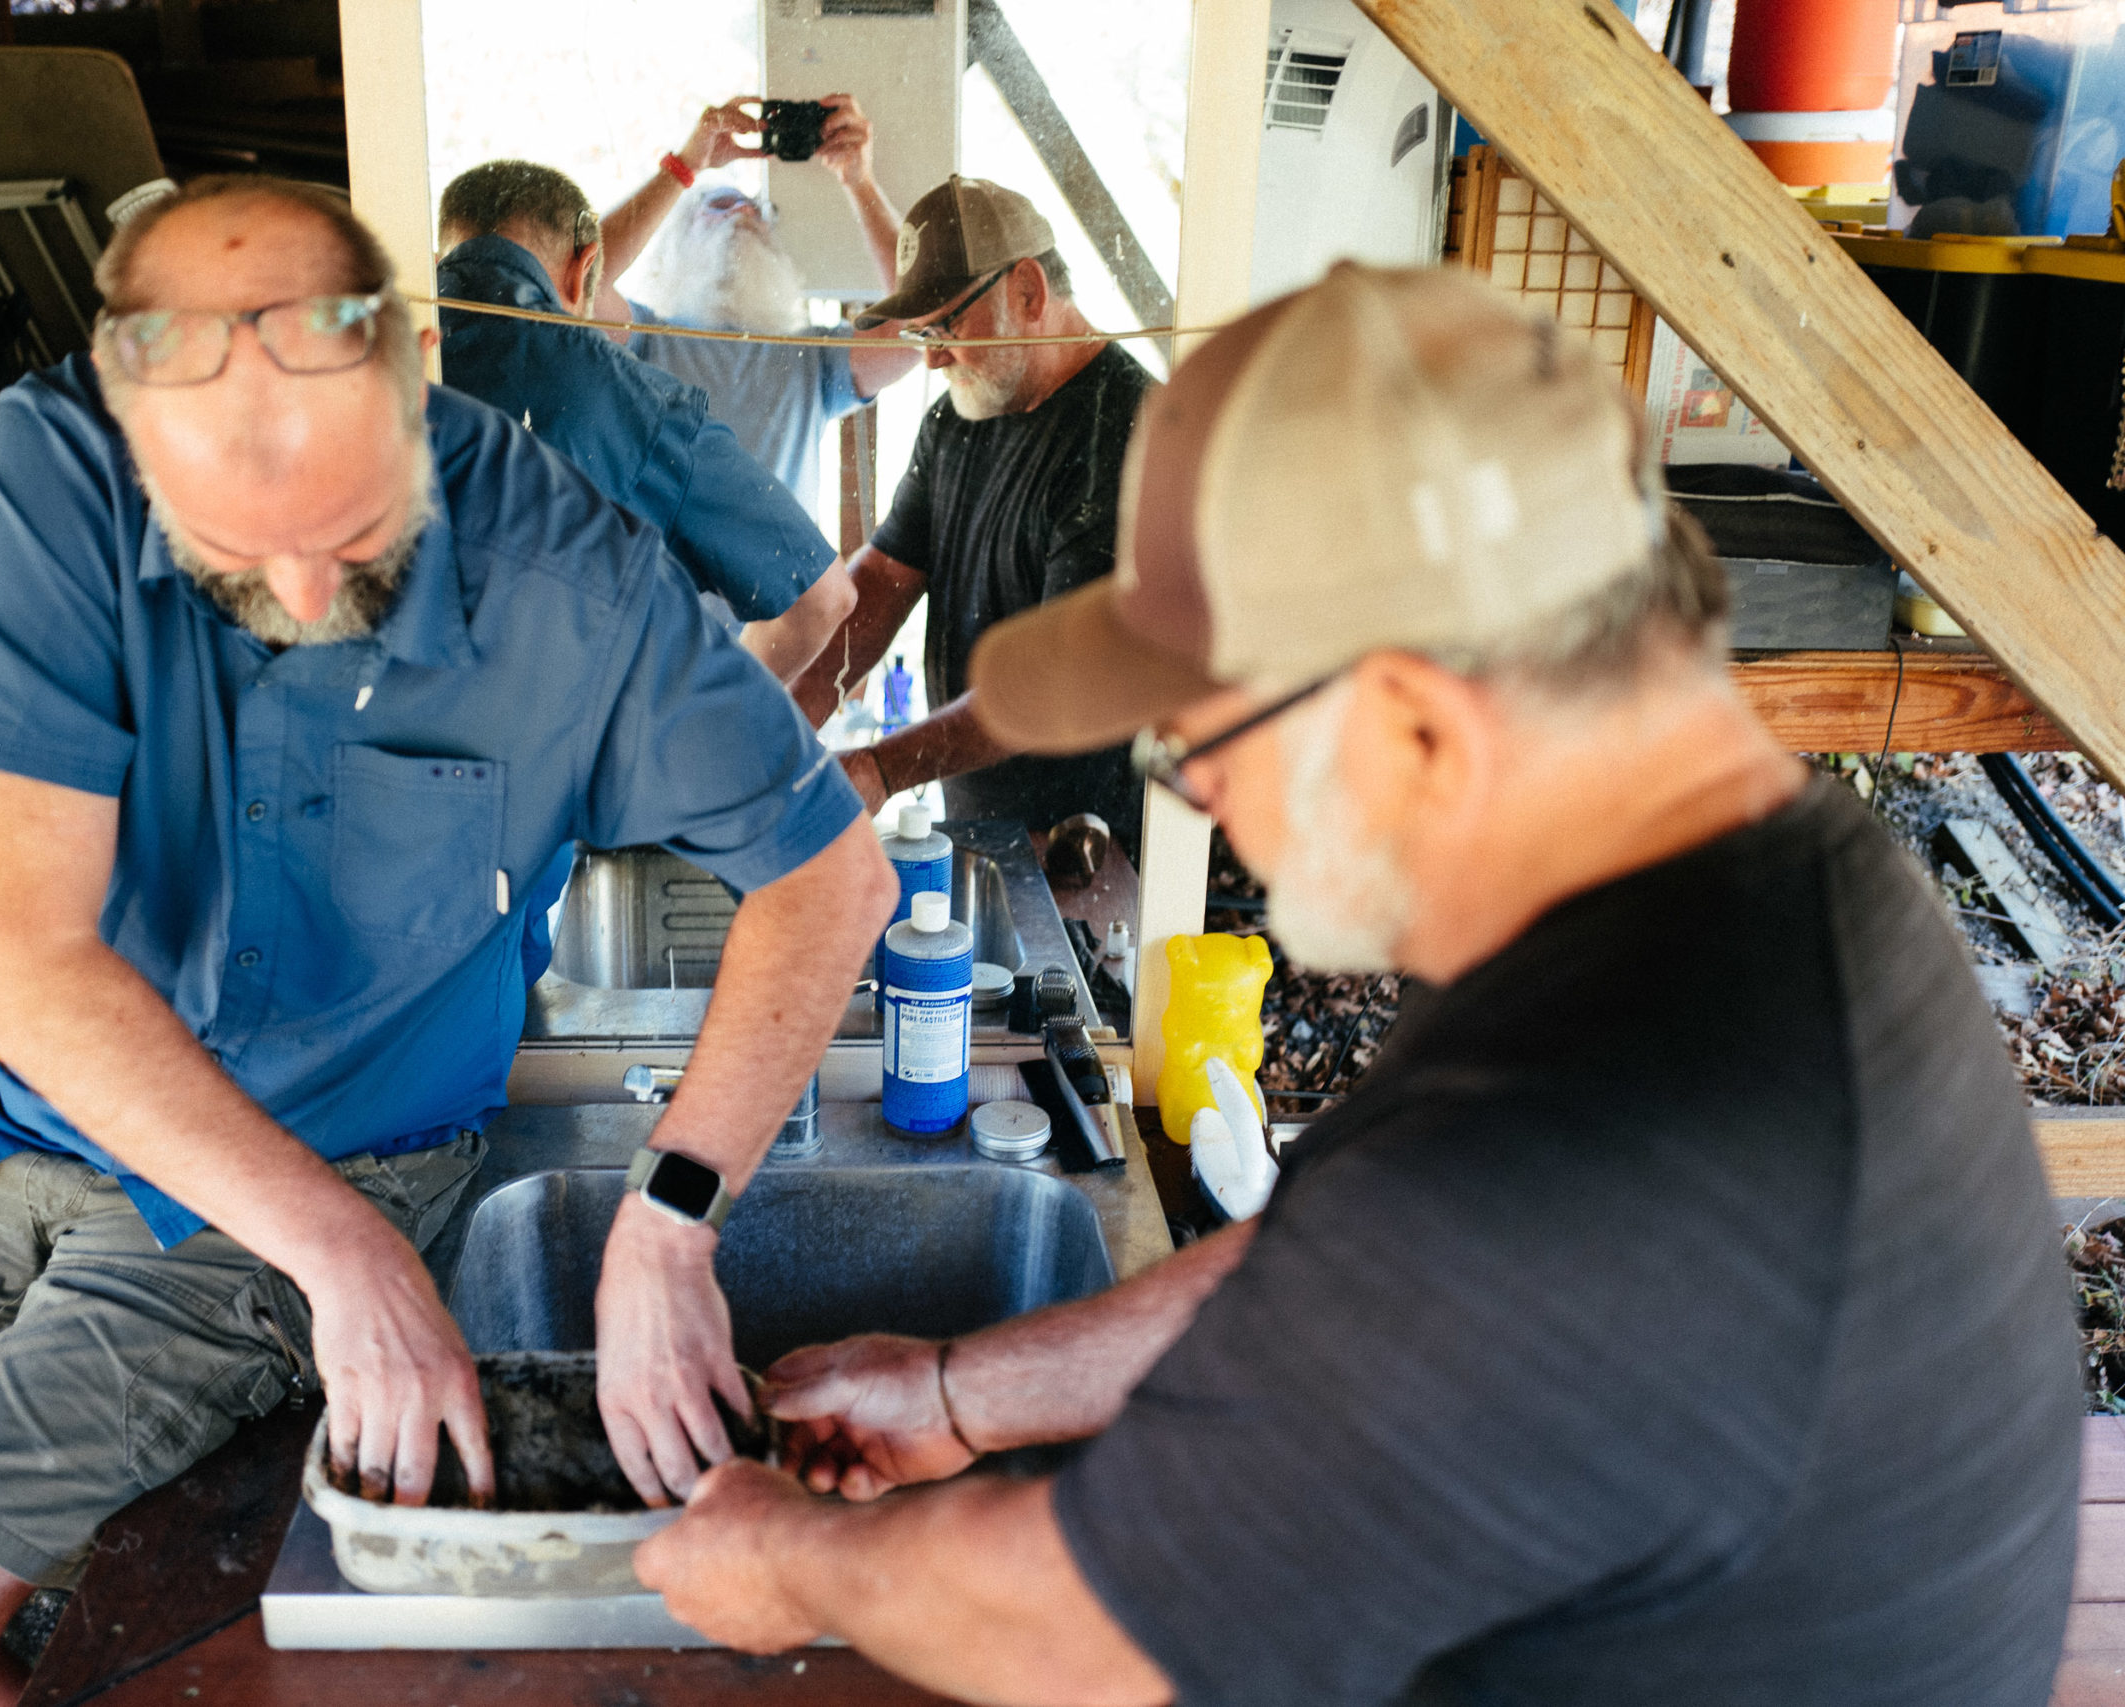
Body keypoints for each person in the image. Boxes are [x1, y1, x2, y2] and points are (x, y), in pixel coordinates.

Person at [635, 265, 2080, 1704]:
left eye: (1192, 735)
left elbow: (1089, 1619)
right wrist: (962, 1391)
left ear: (1410, 724)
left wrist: (797, 1561)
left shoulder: (1592, 1149)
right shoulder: (1766, 887)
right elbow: (1336, 1271)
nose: (1191, 781)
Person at [0, 177, 897, 1707]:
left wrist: (671, 1218)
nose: (312, 590)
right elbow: (15, 961)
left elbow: (829, 878)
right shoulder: (53, 472)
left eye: (354, 529)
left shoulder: (572, 578)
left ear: (405, 378)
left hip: (319, 1162)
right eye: (238, 559)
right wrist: (351, 1265)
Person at [791, 175, 1152, 857]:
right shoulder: (958, 420)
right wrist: (789, 714)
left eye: (949, 324)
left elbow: (1055, 676)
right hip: (982, 825)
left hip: (1091, 851)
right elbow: (882, 582)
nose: (931, 357)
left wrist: (880, 767)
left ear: (1028, 291)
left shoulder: (1129, 432)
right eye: (923, 331)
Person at [434, 159, 854, 688]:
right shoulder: (627, 388)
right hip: (558, 744)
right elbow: (823, 596)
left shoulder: (367, 353)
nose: (739, 216)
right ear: (585, 269)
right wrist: (704, 731)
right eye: (719, 207)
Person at [591, 95, 922, 513]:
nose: (744, 214)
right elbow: (579, 280)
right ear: (676, 242)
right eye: (720, 206)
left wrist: (860, 182)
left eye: (757, 211)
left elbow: (922, 323)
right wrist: (686, 166)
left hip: (781, 581)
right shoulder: (645, 340)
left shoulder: (813, 360)